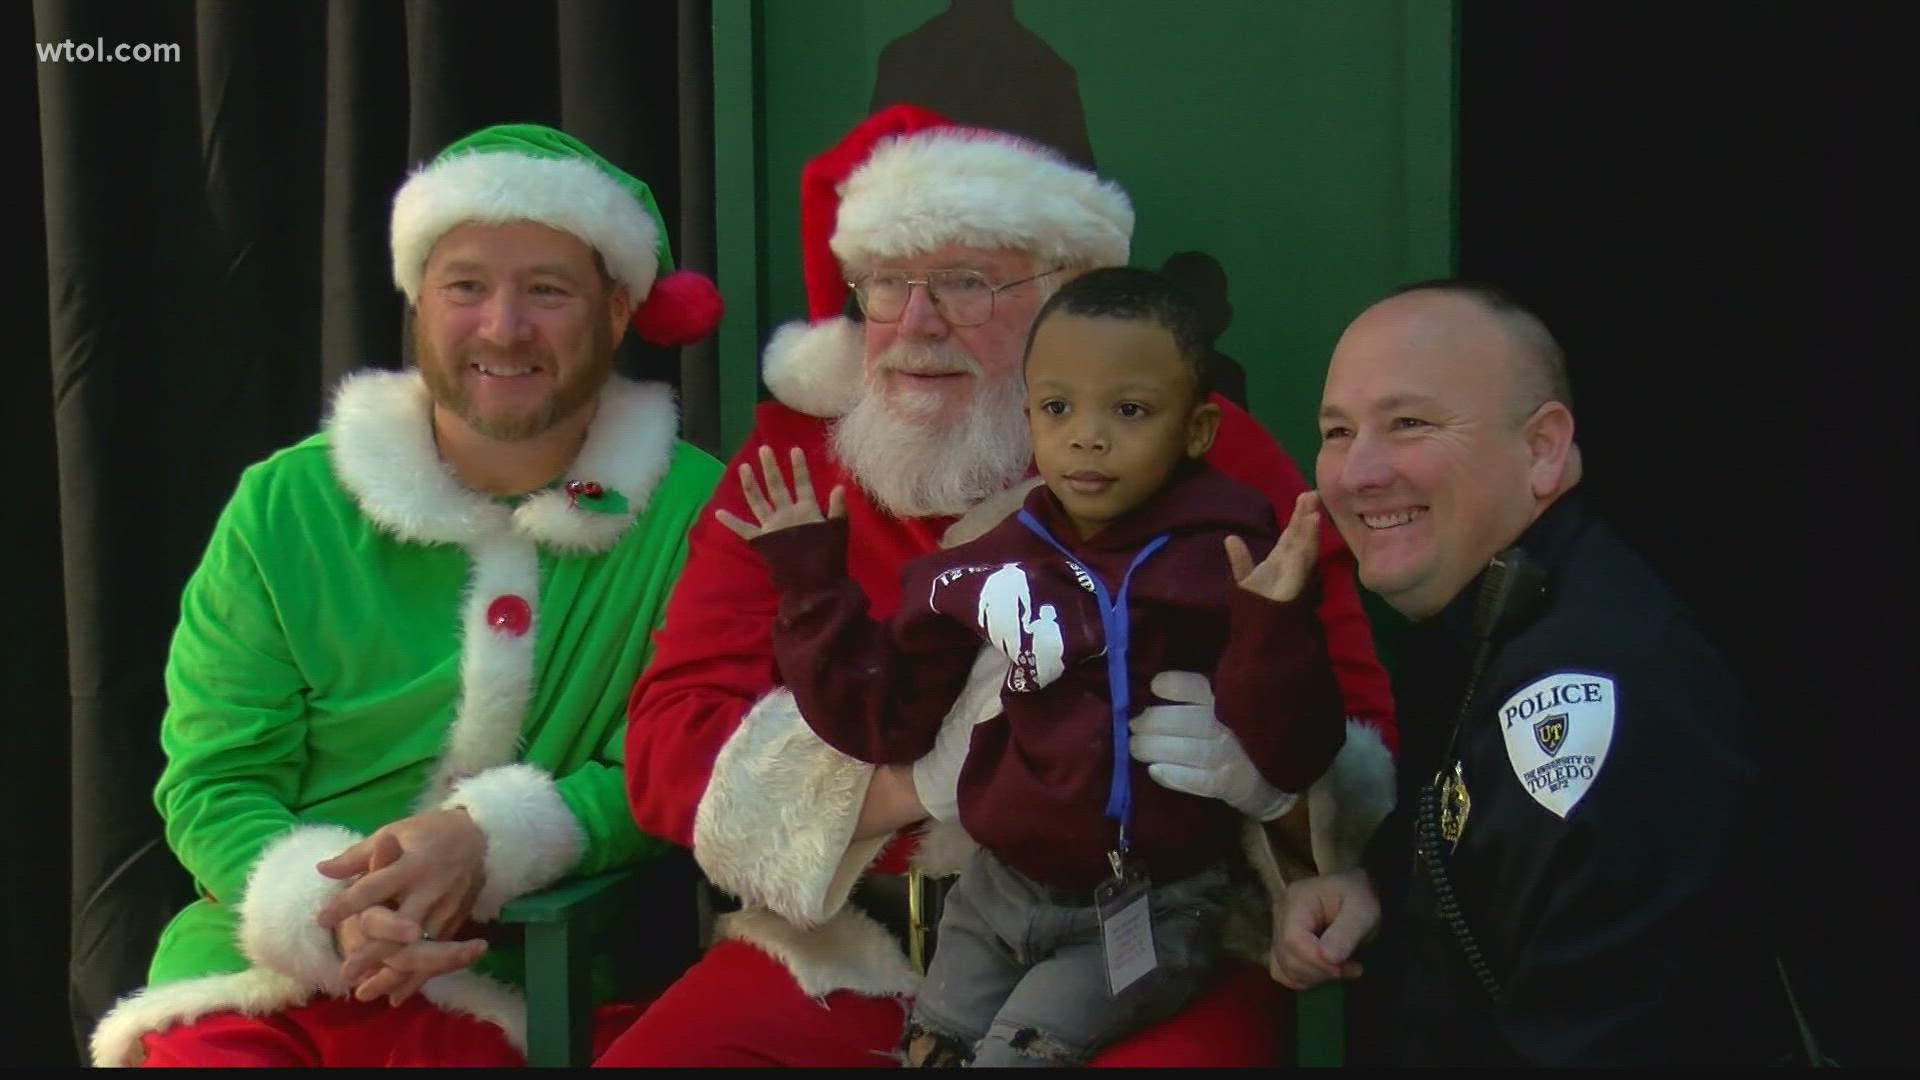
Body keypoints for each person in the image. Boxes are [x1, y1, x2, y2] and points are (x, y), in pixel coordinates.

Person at [605, 103, 1398, 1068]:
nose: (915, 325)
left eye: (966, 285)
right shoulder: (792, 468)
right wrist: (919, 776)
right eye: (887, 285)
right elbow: (665, 748)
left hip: (1135, 954)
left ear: (1071, 295)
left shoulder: (1207, 449)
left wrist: (1258, 758)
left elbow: (1356, 730)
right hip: (846, 954)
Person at [87, 123, 726, 1067]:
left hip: (527, 991)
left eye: (546, 290)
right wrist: (330, 910)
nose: (502, 327)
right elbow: (217, 778)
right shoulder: (286, 505)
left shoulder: (694, 514)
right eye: (466, 285)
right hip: (263, 982)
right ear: (419, 300)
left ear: (619, 308)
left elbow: (683, 755)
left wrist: (489, 841)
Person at [720, 267, 1349, 1066]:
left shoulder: (1230, 554)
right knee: (932, 1050)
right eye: (1058, 408)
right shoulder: (989, 563)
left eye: (1129, 410)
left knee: (1019, 1054)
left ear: (1196, 432)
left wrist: (1271, 629)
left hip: (1151, 905)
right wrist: (813, 588)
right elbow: (884, 718)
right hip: (997, 891)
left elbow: (1295, 751)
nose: (1088, 436)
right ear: (1029, 419)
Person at [1269, 280, 1794, 1065]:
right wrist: (1380, 883)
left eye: (1408, 423)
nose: (1358, 473)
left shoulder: (1599, 689)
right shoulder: (1477, 610)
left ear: (1543, 448)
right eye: (1338, 431)